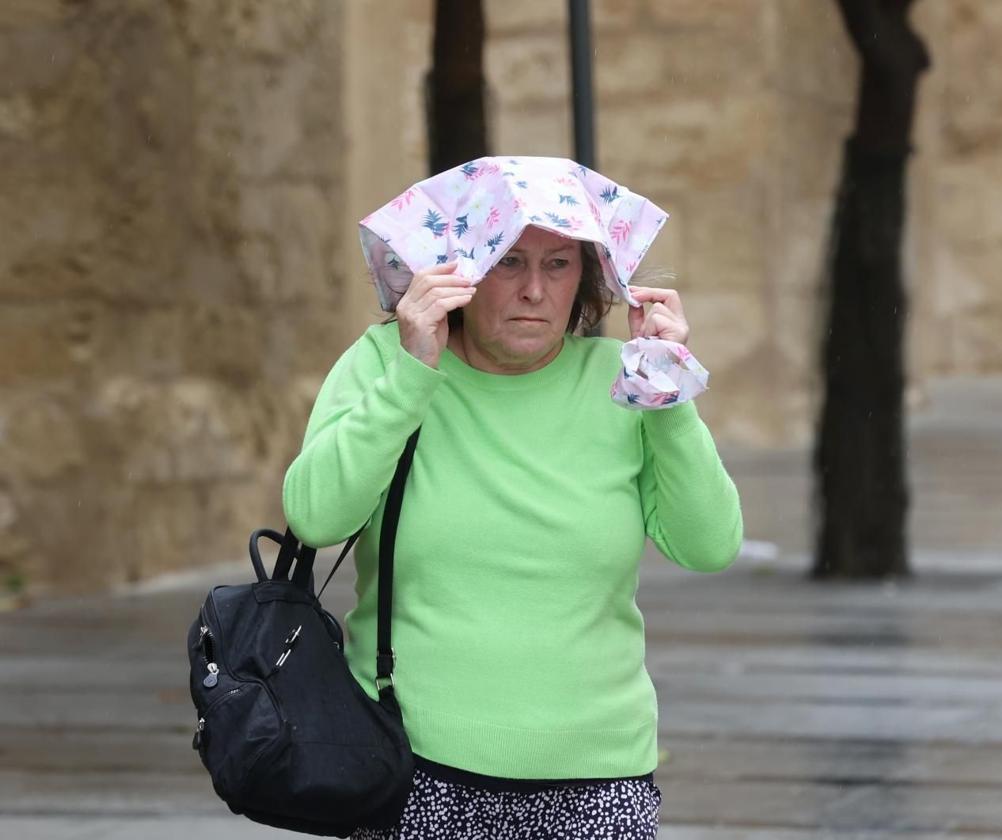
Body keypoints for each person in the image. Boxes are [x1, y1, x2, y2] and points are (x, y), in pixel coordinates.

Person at [281, 205, 743, 836]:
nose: (534, 289)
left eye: (558, 265)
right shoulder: (386, 362)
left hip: (598, 778)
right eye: (508, 263)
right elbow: (315, 516)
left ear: (585, 280)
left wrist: (666, 388)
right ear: (462, 273)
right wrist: (412, 374)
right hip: (410, 767)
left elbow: (710, 545)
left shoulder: (626, 377)